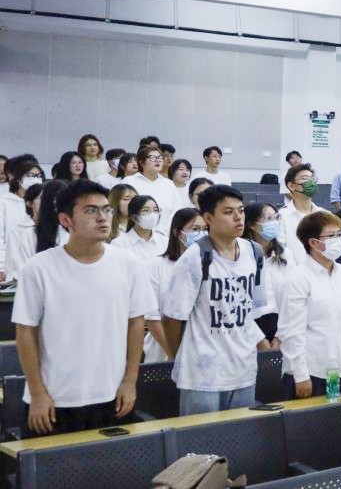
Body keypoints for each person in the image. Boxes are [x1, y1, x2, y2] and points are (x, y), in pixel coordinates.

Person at [12, 180, 150, 436]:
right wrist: (38, 393)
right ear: (66, 220)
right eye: (90, 211)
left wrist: (130, 381)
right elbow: (25, 333)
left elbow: (136, 324)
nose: (102, 218)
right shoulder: (39, 268)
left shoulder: (129, 264)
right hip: (54, 398)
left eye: (106, 209)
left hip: (112, 395)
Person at [161, 185, 268, 414]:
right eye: (228, 212)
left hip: (243, 369)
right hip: (203, 373)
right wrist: (179, 356)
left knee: (240, 433)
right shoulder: (194, 257)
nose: (238, 217)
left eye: (241, 210)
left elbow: (250, 310)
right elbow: (172, 318)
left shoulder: (255, 252)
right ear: (208, 218)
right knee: (201, 436)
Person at [280, 210, 341, 399]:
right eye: (332, 236)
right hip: (312, 373)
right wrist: (300, 375)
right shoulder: (297, 279)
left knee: (340, 415)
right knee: (315, 417)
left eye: (340, 234)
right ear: (313, 242)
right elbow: (292, 332)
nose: (339, 240)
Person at [145, 208, 206, 363]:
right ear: (177, 233)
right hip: (163, 349)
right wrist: (172, 353)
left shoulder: (212, 265)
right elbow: (151, 316)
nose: (202, 234)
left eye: (205, 229)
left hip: (203, 349)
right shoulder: (156, 266)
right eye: (195, 229)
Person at [246, 202, 290, 350]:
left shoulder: (286, 255)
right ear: (252, 225)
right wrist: (259, 339)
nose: (274, 222)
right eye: (268, 218)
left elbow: (293, 297)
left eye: (276, 218)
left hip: (282, 328)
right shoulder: (242, 256)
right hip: (251, 330)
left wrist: (280, 336)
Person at [124, 145, 179, 234]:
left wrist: (163, 231)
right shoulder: (129, 181)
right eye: (152, 157)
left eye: (160, 157)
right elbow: (124, 209)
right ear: (141, 162)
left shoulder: (169, 184)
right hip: (137, 234)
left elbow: (176, 209)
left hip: (165, 235)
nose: (158, 160)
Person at [278, 163, 324, 267]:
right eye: (305, 178)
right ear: (291, 186)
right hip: (293, 273)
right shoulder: (282, 216)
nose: (310, 182)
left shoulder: (324, 214)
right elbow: (281, 250)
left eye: (312, 179)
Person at [112, 194, 167, 263]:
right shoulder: (119, 244)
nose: (152, 215)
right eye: (146, 210)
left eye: (155, 210)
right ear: (133, 217)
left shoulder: (165, 242)